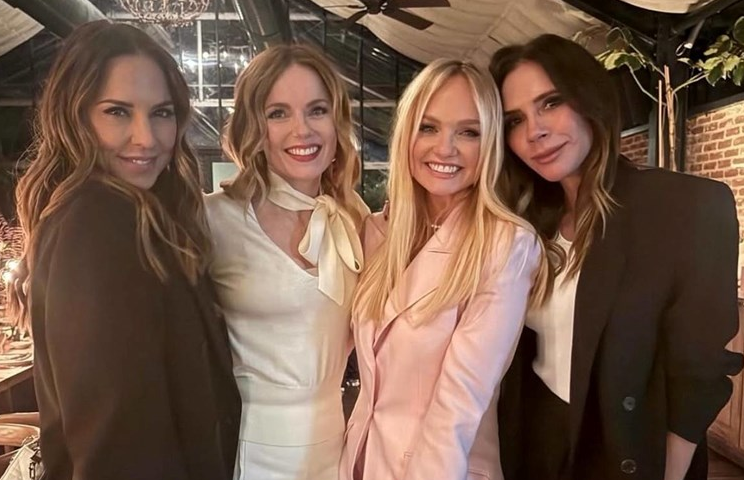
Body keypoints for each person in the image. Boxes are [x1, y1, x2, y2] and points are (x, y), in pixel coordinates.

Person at [489, 34, 743, 480]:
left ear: (591, 98)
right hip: (534, 445)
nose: (534, 132)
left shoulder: (685, 206)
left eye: (551, 102)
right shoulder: (524, 223)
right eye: (515, 120)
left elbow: (699, 372)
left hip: (628, 453)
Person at [9, 20, 240, 480]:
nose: (146, 137)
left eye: (162, 113)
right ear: (75, 116)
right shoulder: (98, 223)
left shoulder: (137, 216)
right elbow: (114, 436)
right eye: (117, 111)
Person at [339, 59, 548, 480]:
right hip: (360, 462)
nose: (445, 148)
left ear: (490, 143)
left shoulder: (506, 244)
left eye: (468, 132)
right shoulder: (378, 232)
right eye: (428, 127)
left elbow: (459, 403)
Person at [205, 43, 369, 480]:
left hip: (337, 445)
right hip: (248, 450)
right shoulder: (212, 219)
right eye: (278, 113)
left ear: (337, 122)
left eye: (317, 110)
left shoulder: (355, 219)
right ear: (255, 128)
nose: (302, 129)